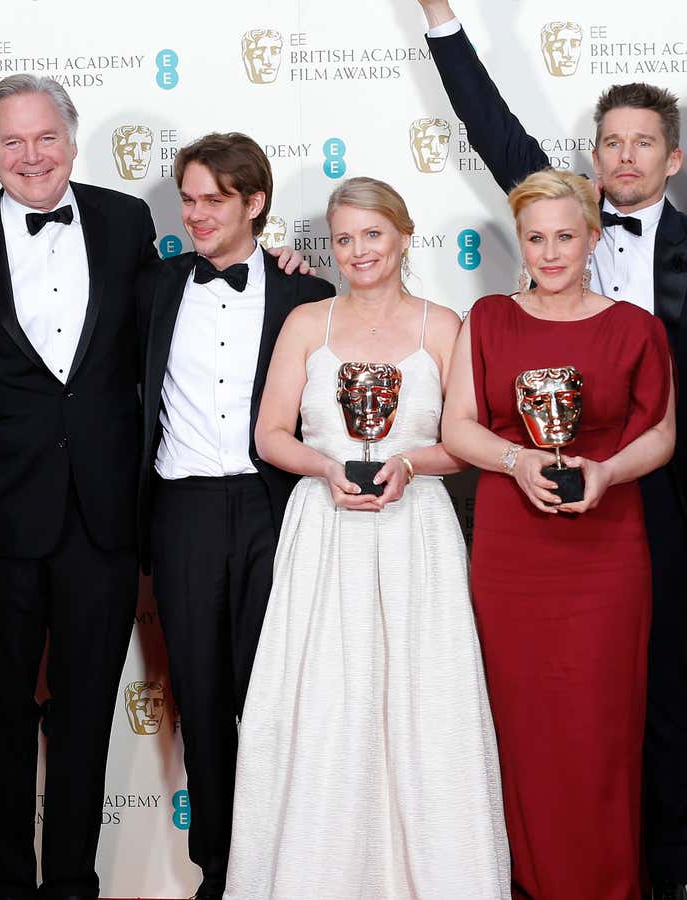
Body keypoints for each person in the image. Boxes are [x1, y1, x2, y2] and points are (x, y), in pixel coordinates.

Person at [411, 6, 687, 894]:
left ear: (672, 157)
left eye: (643, 142)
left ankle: (661, 874)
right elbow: (486, 116)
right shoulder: (548, 210)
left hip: (655, 490)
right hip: (531, 502)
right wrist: (441, 18)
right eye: (610, 141)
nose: (624, 156)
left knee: (651, 691)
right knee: (539, 700)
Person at [225, 177, 510, 899]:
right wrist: (326, 468)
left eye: (372, 235)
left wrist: (409, 464)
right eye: (344, 238)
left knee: (426, 706)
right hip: (325, 534)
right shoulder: (306, 324)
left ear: (404, 236)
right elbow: (269, 434)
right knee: (320, 708)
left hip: (416, 532)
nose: (359, 251)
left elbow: (466, 441)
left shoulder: (445, 325)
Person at [0, 74, 156, 900]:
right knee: (3, 720)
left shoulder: (129, 223)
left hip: (102, 515)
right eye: (12, 142)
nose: (30, 156)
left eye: (44, 137)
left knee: (86, 721)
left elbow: (176, 323)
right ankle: (9, 885)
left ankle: (73, 887)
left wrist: (274, 261)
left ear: (73, 140)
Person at [441, 169, 675, 900]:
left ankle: (607, 885)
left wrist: (603, 474)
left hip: (606, 551)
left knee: (599, 729)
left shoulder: (638, 328)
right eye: (535, 238)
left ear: (593, 238)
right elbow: (458, 429)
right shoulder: (487, 319)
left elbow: (662, 435)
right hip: (512, 553)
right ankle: (527, 884)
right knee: (523, 727)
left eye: (565, 236)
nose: (549, 252)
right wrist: (519, 462)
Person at [134, 132, 334, 900]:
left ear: (255, 203)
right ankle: (219, 871)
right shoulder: (151, 287)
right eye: (188, 199)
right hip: (181, 510)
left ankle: (286, 865)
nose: (197, 214)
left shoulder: (306, 294)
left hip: (274, 509)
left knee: (278, 697)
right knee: (203, 698)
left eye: (214, 199)